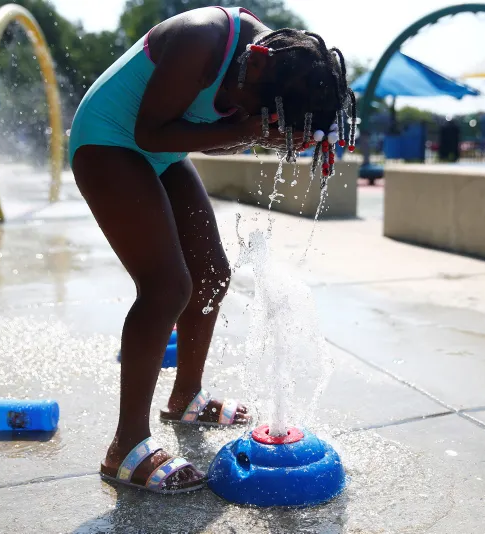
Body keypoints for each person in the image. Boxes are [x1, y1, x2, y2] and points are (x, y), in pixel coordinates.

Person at [69, 5, 355, 494]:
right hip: (109, 142)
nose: (250, 115)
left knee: (211, 274)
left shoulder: (285, 73)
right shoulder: (202, 38)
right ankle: (126, 446)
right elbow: (148, 131)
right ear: (257, 62)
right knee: (165, 288)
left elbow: (201, 137)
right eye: (252, 106)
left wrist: (264, 131)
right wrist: (245, 130)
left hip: (162, 151)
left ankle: (186, 397)